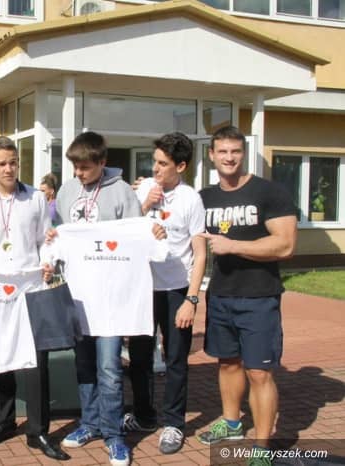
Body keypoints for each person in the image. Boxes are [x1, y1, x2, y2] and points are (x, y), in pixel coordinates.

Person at [196, 126, 297, 466]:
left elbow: (285, 245)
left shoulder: (269, 192)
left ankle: (262, 447)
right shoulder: (204, 198)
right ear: (212, 155)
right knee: (227, 363)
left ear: (244, 153)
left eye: (235, 151)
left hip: (259, 297)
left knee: (259, 373)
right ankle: (231, 424)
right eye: (223, 151)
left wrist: (234, 246)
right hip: (220, 295)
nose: (229, 158)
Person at [0, 136, 69, 461]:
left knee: (36, 362)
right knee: (1, 358)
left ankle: (38, 431)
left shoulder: (36, 198)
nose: (8, 169)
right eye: (1, 163)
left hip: (30, 289)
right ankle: (4, 421)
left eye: (13, 162)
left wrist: (47, 261)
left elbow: (45, 240)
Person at [53, 131, 143, 466]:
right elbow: (59, 233)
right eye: (75, 167)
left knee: (109, 368)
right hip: (78, 296)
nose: (78, 173)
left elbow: (135, 240)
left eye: (85, 168)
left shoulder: (122, 192)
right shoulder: (67, 190)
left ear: (102, 163)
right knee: (85, 365)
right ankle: (89, 423)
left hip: (111, 299)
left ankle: (114, 435)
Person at [125, 132, 207, 454]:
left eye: (163, 163)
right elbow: (125, 231)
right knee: (139, 358)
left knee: (175, 359)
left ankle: (174, 423)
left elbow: (200, 253)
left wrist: (191, 299)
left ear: (181, 166)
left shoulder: (191, 199)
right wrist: (145, 203)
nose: (155, 168)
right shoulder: (144, 187)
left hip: (175, 289)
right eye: (154, 162)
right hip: (143, 287)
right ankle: (144, 416)